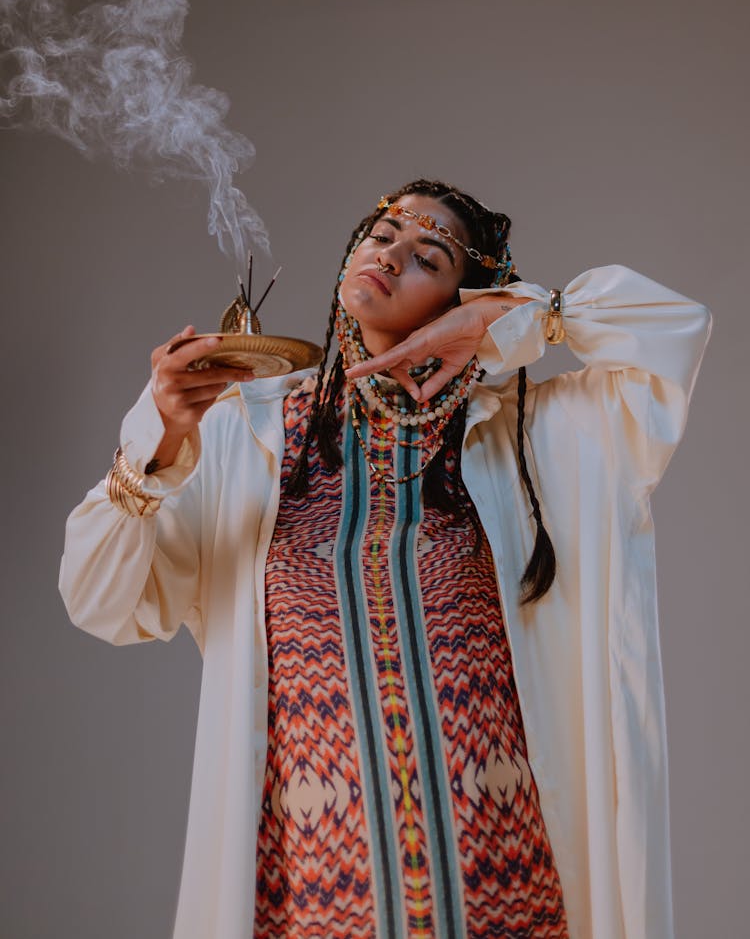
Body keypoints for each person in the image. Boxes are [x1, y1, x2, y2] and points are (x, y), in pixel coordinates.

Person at [60, 178, 712, 939]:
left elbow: (676, 328)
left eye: (427, 253)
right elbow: (100, 601)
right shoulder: (250, 435)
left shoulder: (535, 440)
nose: (390, 251)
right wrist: (159, 441)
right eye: (383, 229)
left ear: (462, 298)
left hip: (501, 891)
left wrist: (513, 319)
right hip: (316, 897)